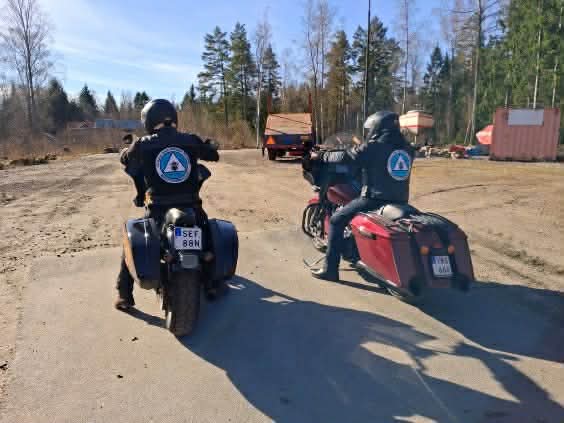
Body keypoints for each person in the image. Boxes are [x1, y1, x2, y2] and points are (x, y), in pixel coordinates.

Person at [115, 99, 219, 310]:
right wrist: (208, 145)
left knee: (134, 240)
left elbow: (125, 160)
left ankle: (124, 294)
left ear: (148, 121)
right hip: (191, 206)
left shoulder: (143, 143)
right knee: (207, 233)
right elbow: (213, 155)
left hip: (157, 209)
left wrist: (126, 151)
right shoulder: (190, 140)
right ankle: (210, 283)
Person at [310, 111, 415, 282]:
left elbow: (346, 156)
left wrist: (322, 156)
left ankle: (330, 270)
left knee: (336, 220)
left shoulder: (375, 146)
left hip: (373, 199)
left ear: (377, 128)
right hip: (400, 200)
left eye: (370, 129)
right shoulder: (407, 149)